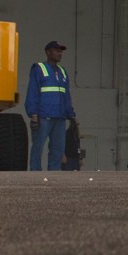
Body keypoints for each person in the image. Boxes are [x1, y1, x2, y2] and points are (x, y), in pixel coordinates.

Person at [26, 39, 74, 171]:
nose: (60, 53)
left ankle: (53, 176)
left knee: (57, 149)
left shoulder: (63, 72)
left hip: (59, 117)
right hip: (43, 116)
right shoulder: (39, 68)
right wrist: (33, 114)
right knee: (38, 147)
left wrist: (71, 115)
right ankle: (35, 174)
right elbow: (32, 92)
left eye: (61, 51)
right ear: (48, 52)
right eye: (57, 50)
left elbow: (66, 95)